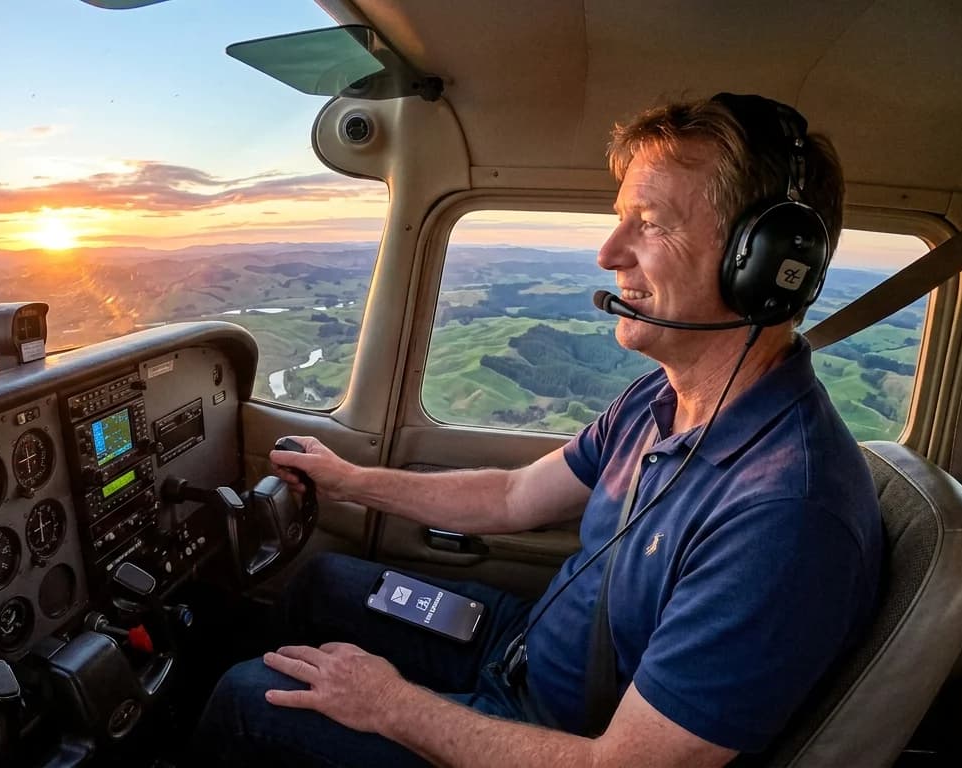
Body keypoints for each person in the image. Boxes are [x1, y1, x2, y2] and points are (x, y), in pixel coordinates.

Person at [193, 94, 883, 767]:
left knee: (246, 698)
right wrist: (348, 480)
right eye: (620, 220)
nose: (609, 253)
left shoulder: (787, 518)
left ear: (762, 264)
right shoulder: (661, 400)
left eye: (650, 222)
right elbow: (514, 497)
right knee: (322, 584)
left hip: (549, 731)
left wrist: (391, 706)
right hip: (517, 645)